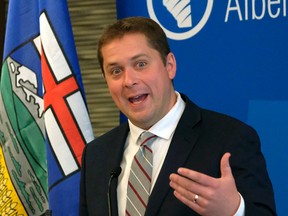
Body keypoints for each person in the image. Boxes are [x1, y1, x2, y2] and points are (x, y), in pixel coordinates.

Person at [79, 17, 276, 216]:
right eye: (116, 71)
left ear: (169, 65)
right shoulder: (96, 155)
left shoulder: (230, 138)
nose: (129, 81)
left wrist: (234, 211)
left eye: (140, 64)